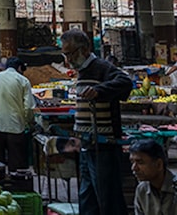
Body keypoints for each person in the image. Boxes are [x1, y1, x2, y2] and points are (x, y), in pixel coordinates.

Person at [61, 28, 133, 215]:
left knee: (108, 199)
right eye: (65, 54)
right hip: (87, 145)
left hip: (104, 146)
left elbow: (125, 82)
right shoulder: (83, 72)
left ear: (84, 50)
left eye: (70, 54)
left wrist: (100, 90)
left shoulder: (101, 67)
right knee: (88, 198)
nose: (67, 60)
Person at [0, 57, 36, 171]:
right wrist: (30, 122)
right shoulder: (23, 80)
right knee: (16, 160)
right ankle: (15, 184)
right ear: (19, 68)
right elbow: (28, 107)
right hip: (15, 126)